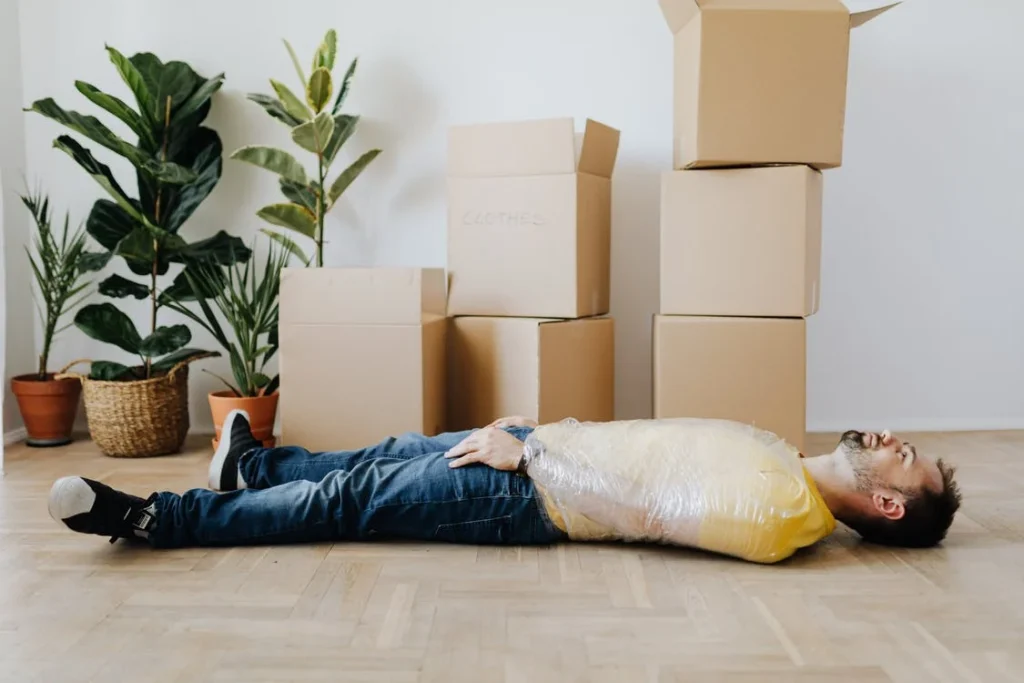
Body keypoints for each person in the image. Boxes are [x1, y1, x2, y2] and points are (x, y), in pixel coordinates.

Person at [47, 411, 961, 562]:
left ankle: (158, 519)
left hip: (531, 494)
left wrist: (524, 460)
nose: (887, 439)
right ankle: (252, 466)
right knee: (391, 451)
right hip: (541, 448)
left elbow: (643, 512)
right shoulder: (784, 460)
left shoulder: (779, 515)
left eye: (901, 455)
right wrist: (533, 434)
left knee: (353, 502)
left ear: (887, 503)